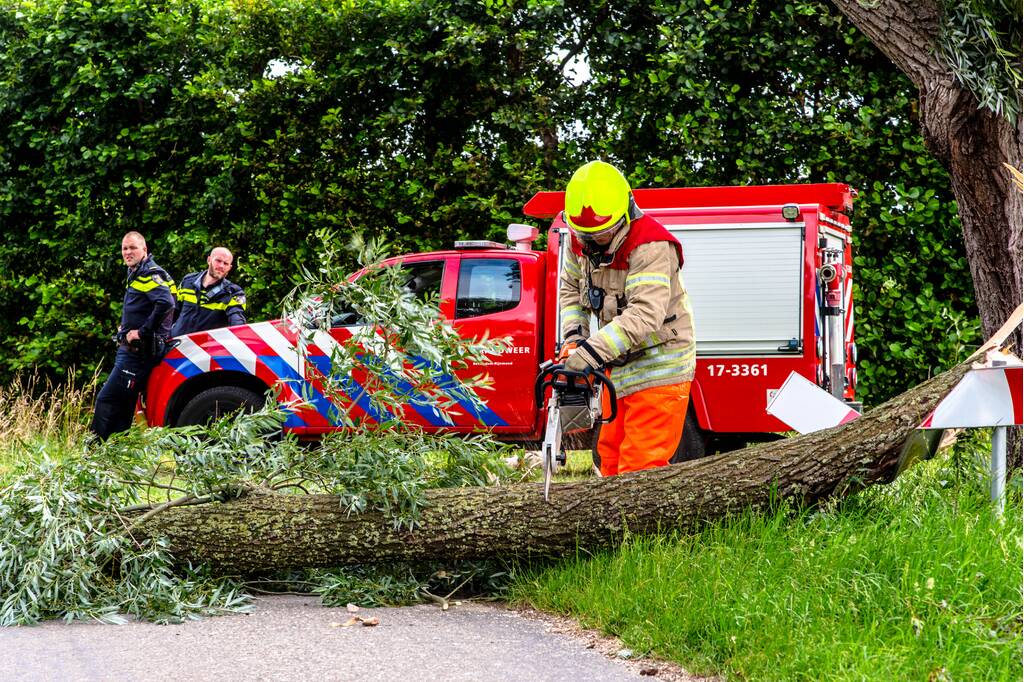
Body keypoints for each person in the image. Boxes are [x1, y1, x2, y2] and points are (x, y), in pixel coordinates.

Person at [558, 160, 697, 476]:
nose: (590, 242)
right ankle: (609, 523)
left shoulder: (650, 245)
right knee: (608, 461)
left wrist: (590, 353)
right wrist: (574, 337)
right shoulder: (578, 238)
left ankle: (641, 526)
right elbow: (570, 291)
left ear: (625, 216)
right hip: (619, 364)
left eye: (601, 234)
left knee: (640, 466)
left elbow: (645, 315)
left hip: (661, 364)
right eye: (583, 234)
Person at [89, 232, 176, 440]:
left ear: (144, 249)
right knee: (125, 403)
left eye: (133, 248)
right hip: (134, 350)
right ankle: (114, 455)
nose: (127, 252)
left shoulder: (149, 273)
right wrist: (127, 326)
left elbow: (167, 303)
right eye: (124, 248)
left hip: (137, 353)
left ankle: (92, 453)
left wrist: (143, 331)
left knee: (106, 399)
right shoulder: (138, 272)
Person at [171, 246, 247, 336]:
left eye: (226, 263)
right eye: (218, 261)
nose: (221, 266)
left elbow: (238, 323)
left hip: (206, 348)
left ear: (229, 268)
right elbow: (172, 312)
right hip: (177, 345)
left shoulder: (233, 293)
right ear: (209, 260)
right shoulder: (188, 281)